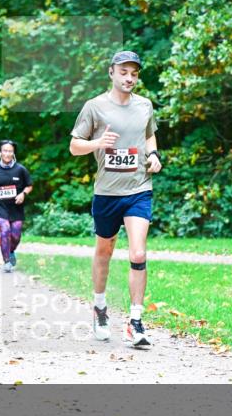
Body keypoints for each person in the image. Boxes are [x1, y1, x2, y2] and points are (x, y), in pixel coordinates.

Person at [69, 50, 162, 349]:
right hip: (107, 192)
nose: (129, 78)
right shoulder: (94, 107)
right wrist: (97, 143)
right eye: (124, 72)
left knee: (137, 253)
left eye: (134, 73)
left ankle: (135, 321)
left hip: (138, 189)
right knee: (104, 251)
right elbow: (74, 146)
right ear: (111, 72)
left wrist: (153, 155)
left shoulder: (145, 105)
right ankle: (99, 307)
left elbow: (149, 135)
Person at [0, 140, 33, 273]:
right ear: (0, 153)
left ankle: (11, 251)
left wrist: (23, 194)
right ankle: (6, 261)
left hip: (16, 208)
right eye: (5, 150)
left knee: (15, 236)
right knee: (5, 231)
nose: (7, 153)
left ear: (13, 153)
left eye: (10, 151)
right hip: (0, 207)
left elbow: (29, 185)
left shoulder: (20, 169)